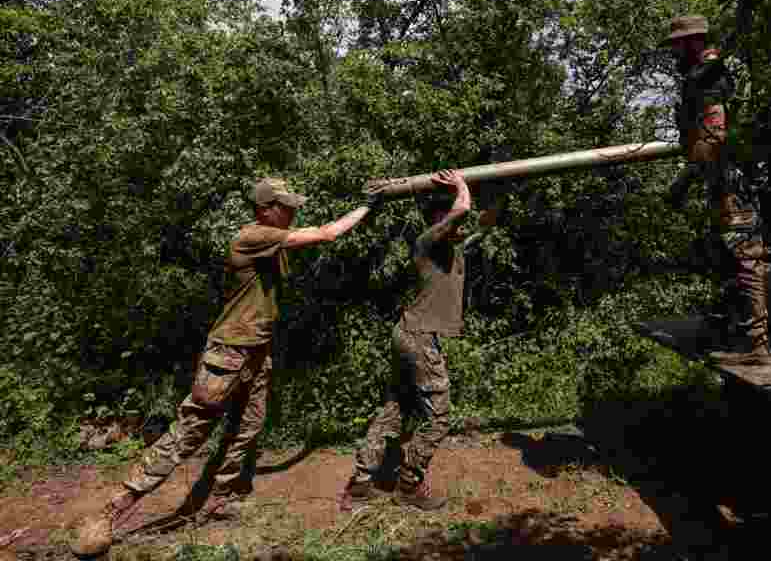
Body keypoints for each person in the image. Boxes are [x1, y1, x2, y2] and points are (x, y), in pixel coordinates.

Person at [71, 178, 381, 557]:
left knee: (249, 426)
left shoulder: (273, 238)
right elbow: (326, 234)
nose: (292, 210)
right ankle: (113, 511)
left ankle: (221, 498)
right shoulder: (252, 237)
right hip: (228, 354)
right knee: (188, 433)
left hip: (254, 351)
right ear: (266, 209)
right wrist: (369, 206)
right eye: (286, 205)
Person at [339, 168, 503, 511]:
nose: (458, 229)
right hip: (418, 338)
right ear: (438, 223)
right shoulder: (427, 244)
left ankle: (359, 485)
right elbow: (462, 212)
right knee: (438, 418)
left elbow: (484, 222)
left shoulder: (455, 251)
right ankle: (408, 486)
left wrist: (501, 186)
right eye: (450, 224)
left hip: (410, 335)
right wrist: (460, 185)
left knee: (394, 410)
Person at [662, 15, 771, 365]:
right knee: (728, 258)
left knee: (745, 259)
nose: (674, 52)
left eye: (677, 45)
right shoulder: (716, 73)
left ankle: (759, 347)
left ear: (692, 41)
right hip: (725, 181)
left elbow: (715, 135)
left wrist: (683, 182)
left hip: (731, 183)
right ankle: (734, 337)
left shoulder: (709, 77)